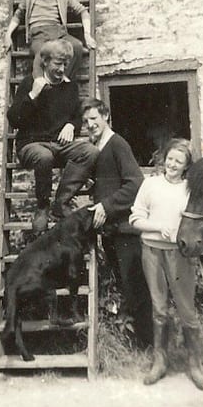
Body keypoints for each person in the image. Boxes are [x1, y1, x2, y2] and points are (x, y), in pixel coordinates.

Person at [129, 138, 203, 390]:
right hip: (151, 252)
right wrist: (158, 226)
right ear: (164, 159)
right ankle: (159, 362)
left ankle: (194, 364)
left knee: (187, 310)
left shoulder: (189, 189)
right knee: (159, 309)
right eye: (170, 159)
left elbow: (200, 222)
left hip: (180, 256)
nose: (172, 164)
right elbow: (135, 219)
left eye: (179, 161)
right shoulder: (150, 184)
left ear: (186, 166)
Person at [81, 99, 152, 349]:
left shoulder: (117, 144)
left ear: (106, 116)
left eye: (94, 119)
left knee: (136, 287)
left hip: (125, 231)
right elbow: (112, 183)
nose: (90, 125)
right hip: (111, 231)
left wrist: (105, 206)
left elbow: (135, 184)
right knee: (125, 285)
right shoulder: (98, 147)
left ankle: (149, 344)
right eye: (86, 121)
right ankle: (136, 341)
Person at [7, 38, 98, 232]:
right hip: (32, 144)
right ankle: (42, 207)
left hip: (60, 144)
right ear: (45, 62)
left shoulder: (70, 87)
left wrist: (71, 126)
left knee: (90, 151)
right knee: (44, 156)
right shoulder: (30, 84)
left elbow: (76, 116)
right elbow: (14, 120)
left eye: (65, 64)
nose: (62, 69)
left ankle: (62, 202)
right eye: (58, 63)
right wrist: (32, 96)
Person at [3, 0, 97, 82]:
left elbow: (83, 11)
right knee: (42, 54)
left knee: (77, 46)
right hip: (38, 35)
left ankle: (62, 81)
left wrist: (87, 35)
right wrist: (8, 35)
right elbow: (18, 14)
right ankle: (40, 85)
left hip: (59, 33)